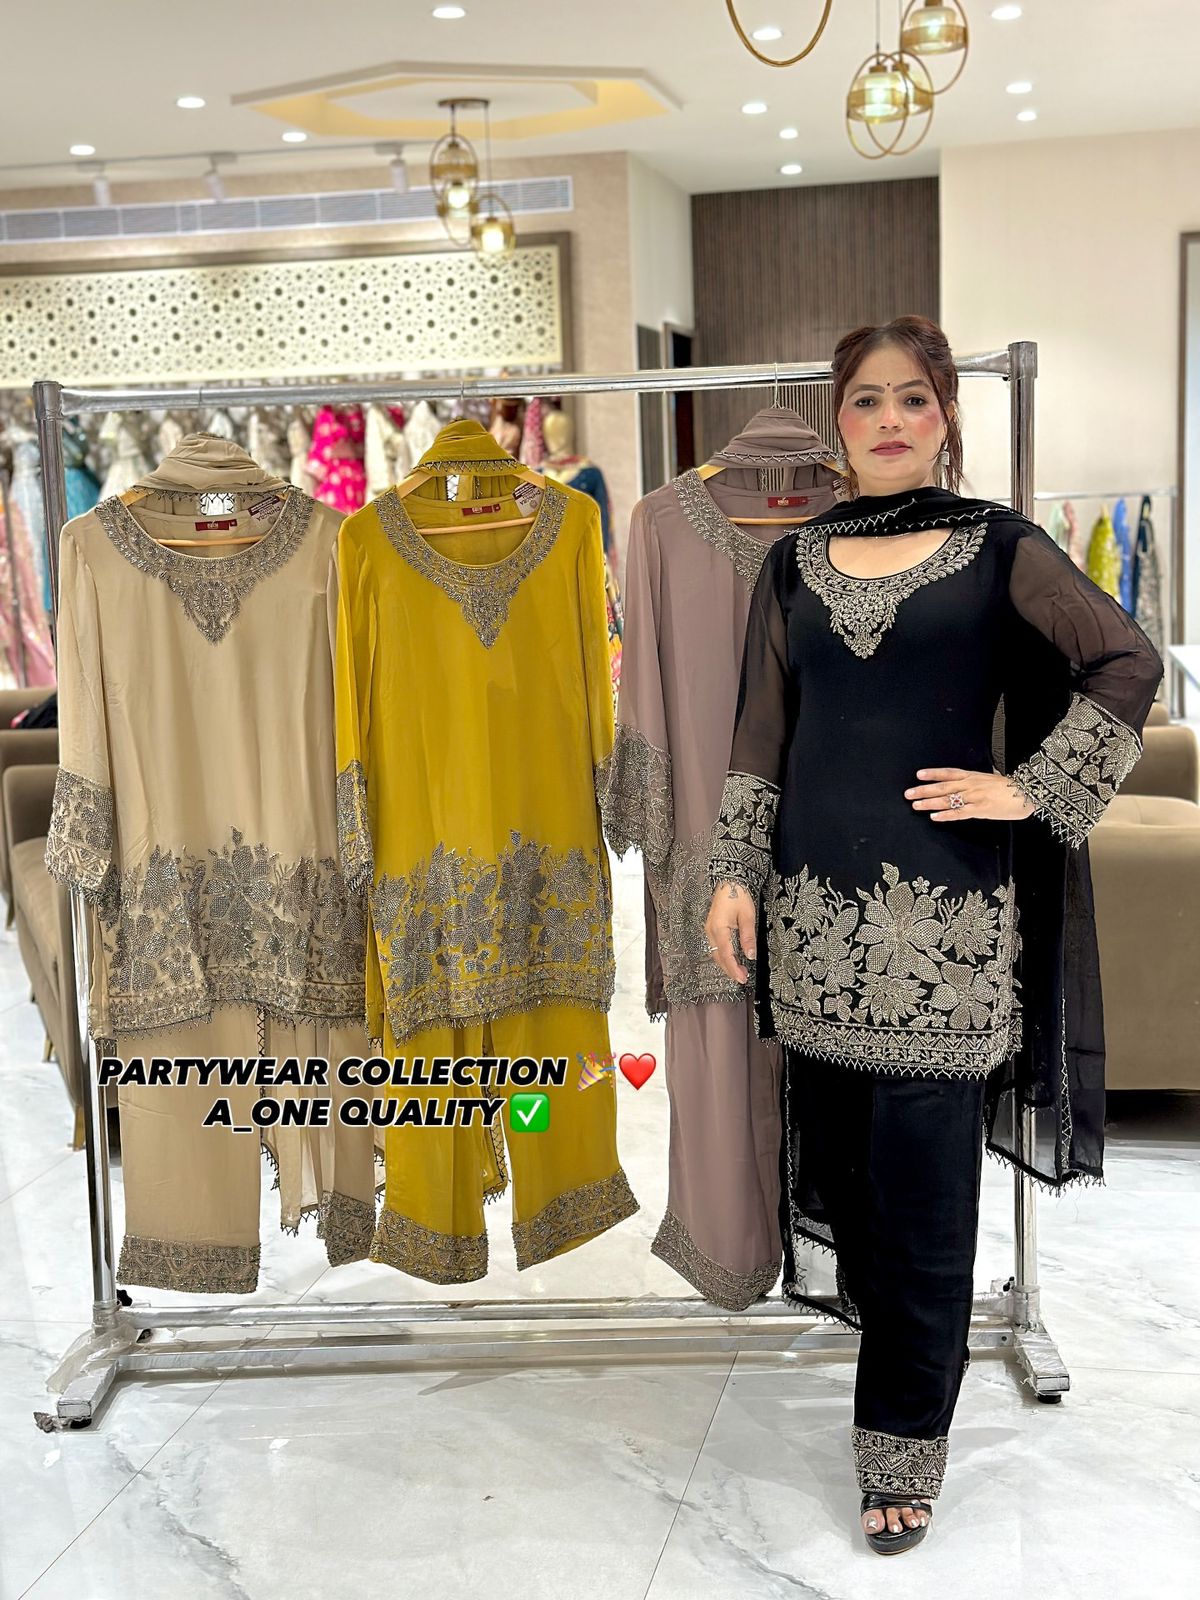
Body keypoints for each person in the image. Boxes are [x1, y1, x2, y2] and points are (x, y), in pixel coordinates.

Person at [703, 315, 1163, 1555]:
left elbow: (1127, 660)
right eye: (867, 400)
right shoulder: (794, 563)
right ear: (839, 422)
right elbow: (761, 733)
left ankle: (900, 1444)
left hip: (946, 933)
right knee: (855, 1186)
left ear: (948, 414)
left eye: (914, 397)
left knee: (923, 1195)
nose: (891, 419)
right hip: (812, 923)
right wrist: (734, 876)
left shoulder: (999, 547)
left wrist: (1033, 787)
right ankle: (908, 1352)